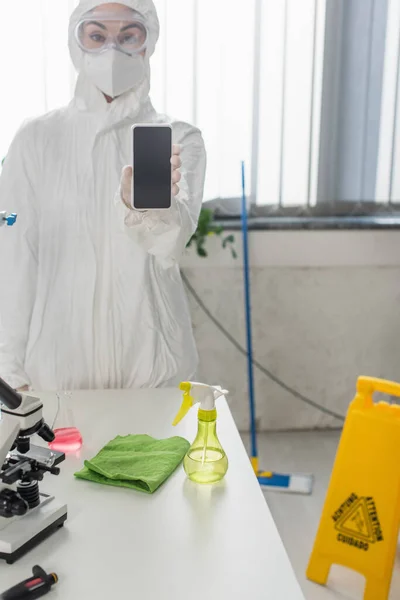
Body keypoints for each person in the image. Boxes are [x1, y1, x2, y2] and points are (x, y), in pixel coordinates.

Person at [0, 0, 206, 391]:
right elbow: (12, 255)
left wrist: (140, 206)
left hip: (151, 362)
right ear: (76, 43)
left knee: (155, 450)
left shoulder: (178, 137)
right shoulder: (37, 138)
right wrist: (9, 371)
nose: (113, 50)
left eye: (129, 36)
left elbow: (171, 242)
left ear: (149, 43)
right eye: (97, 36)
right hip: (57, 367)